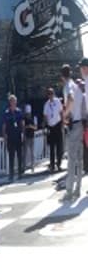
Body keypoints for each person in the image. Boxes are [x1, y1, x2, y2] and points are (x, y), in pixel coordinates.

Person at [61, 64, 84, 202]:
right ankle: (78, 189)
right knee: (79, 159)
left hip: (73, 125)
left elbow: (70, 99)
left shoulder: (68, 86)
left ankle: (69, 191)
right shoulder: (77, 86)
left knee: (71, 159)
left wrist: (65, 114)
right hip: (80, 123)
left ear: (62, 76)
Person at [1, 94, 25, 181]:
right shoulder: (6, 113)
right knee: (11, 156)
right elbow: (4, 126)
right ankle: (11, 174)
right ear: (9, 102)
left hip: (18, 136)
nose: (13, 103)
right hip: (10, 137)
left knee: (19, 155)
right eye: (11, 101)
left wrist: (23, 134)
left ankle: (20, 173)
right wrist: (4, 137)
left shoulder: (19, 112)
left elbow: (22, 124)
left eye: (14, 101)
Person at [43, 86, 63, 172]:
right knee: (51, 148)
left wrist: (62, 123)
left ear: (54, 94)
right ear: (47, 95)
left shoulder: (58, 101)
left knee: (59, 146)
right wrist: (46, 127)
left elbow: (61, 112)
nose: (50, 95)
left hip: (58, 125)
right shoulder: (46, 105)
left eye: (51, 93)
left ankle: (58, 164)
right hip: (51, 127)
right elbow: (45, 116)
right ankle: (52, 165)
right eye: (49, 94)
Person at [23, 104, 37, 173]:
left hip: (32, 136)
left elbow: (35, 127)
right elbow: (23, 127)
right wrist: (27, 127)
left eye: (29, 113)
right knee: (25, 152)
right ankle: (24, 166)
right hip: (26, 136)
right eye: (27, 113)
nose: (28, 114)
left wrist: (30, 126)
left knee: (32, 152)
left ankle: (32, 166)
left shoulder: (33, 118)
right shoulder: (24, 119)